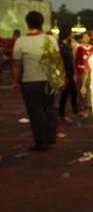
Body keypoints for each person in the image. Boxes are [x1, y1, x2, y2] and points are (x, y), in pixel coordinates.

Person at [12, 11, 59, 151]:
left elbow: (17, 64)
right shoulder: (50, 39)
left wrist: (15, 81)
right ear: (41, 23)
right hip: (48, 81)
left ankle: (40, 141)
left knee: (35, 111)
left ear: (27, 23)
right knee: (49, 108)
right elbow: (56, 61)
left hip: (30, 82)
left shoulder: (21, 41)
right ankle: (51, 136)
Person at [58, 26, 79, 123]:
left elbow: (72, 60)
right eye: (70, 33)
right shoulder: (60, 45)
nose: (72, 35)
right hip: (64, 73)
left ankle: (74, 110)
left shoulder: (68, 45)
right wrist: (63, 75)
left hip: (70, 72)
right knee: (65, 94)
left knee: (73, 92)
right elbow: (61, 61)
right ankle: (61, 114)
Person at [75, 32, 93, 116]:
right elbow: (75, 60)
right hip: (80, 71)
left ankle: (88, 107)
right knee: (81, 89)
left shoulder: (92, 48)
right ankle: (82, 106)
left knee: (89, 89)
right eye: (84, 37)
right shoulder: (78, 48)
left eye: (87, 37)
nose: (86, 39)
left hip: (89, 71)